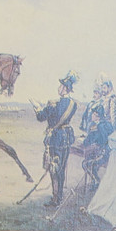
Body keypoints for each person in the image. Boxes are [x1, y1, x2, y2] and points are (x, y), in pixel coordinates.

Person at [36, 72, 80, 207]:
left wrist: (38, 109)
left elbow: (41, 117)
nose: (59, 88)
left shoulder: (53, 105)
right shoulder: (73, 104)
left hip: (55, 139)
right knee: (61, 168)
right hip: (66, 138)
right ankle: (58, 196)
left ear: (65, 89)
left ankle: (56, 199)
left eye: (61, 86)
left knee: (54, 168)